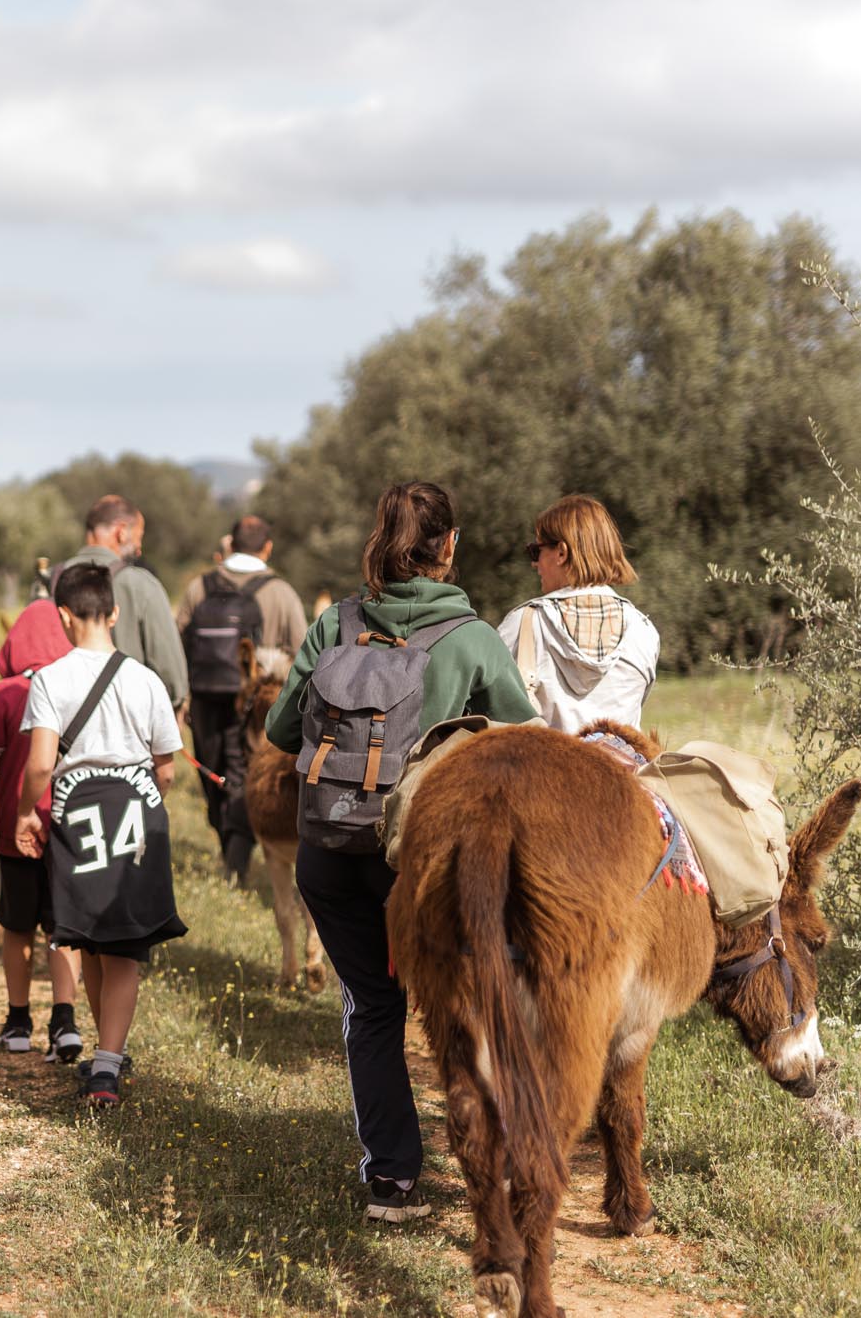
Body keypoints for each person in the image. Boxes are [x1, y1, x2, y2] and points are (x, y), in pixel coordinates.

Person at [264, 482, 537, 1222]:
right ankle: (500, 1163)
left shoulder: (334, 625)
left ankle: (392, 1177)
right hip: (428, 864)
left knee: (373, 1008)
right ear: (450, 545)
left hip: (330, 852)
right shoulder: (473, 640)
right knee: (475, 1002)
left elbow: (282, 733)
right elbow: (529, 745)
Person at [14, 563, 185, 1109]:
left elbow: (41, 765)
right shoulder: (147, 679)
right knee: (124, 951)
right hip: (137, 819)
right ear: (113, 613)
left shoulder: (50, 680)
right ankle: (108, 1063)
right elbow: (167, 767)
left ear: (63, 616)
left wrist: (25, 813)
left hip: (76, 822)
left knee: (88, 938)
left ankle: (104, 1060)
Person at [0, 598, 84, 1063]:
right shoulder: (77, 686)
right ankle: (65, 1023)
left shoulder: (6, 693)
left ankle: (17, 1023)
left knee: (16, 928)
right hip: (70, 829)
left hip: (17, 828)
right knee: (63, 929)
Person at [174, 514, 309, 885]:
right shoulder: (281, 592)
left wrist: (182, 697)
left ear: (230, 545)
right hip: (257, 706)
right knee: (244, 775)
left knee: (212, 770)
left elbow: (178, 640)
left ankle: (230, 854)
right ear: (267, 547)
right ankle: (236, 863)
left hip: (205, 699)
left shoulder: (198, 587)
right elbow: (303, 651)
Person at [496, 495, 661, 733]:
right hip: (620, 769)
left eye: (536, 551)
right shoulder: (643, 631)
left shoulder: (523, 624)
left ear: (561, 553)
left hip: (545, 768)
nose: (534, 564)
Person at [46, 495, 191, 713]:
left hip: (58, 720)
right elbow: (170, 672)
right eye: (139, 537)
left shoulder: (49, 579)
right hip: (128, 720)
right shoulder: (143, 585)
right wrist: (175, 705)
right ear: (121, 532)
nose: (140, 548)